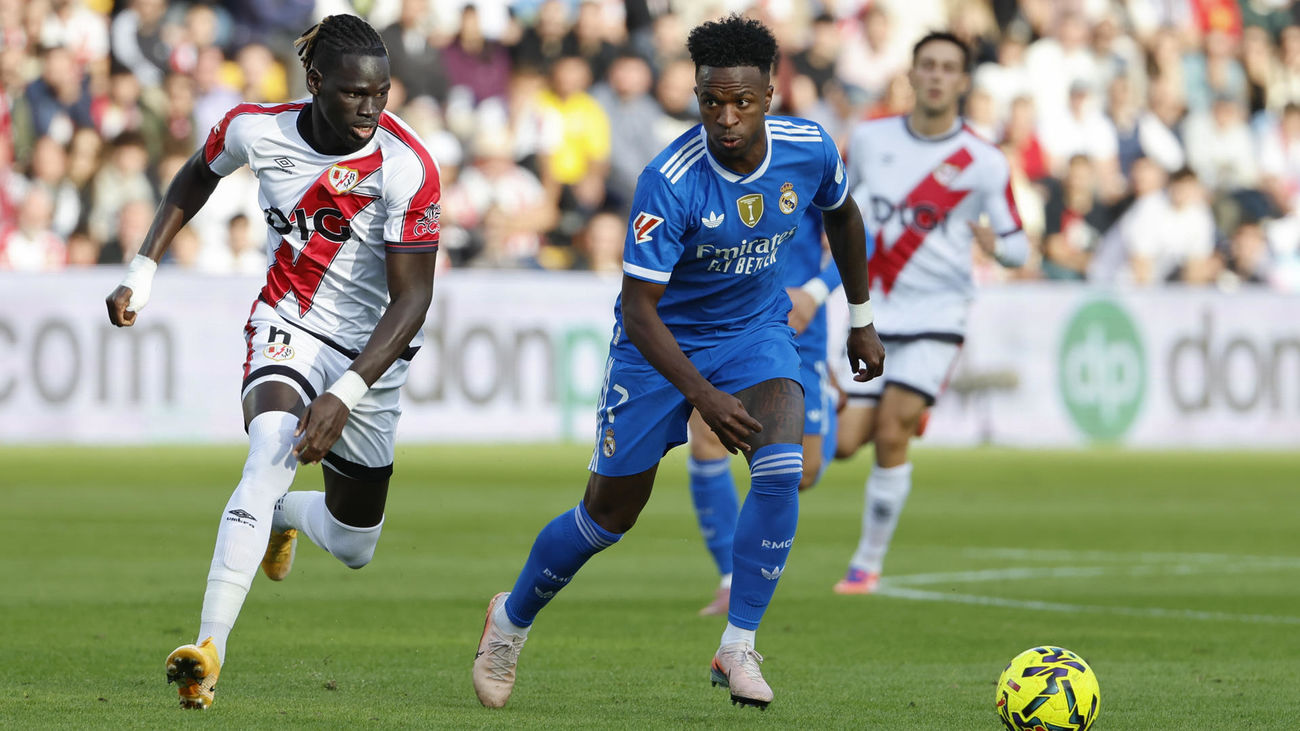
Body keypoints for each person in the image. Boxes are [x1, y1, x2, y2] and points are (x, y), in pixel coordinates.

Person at [470, 15, 885, 711]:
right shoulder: (670, 179)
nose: (725, 118)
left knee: (781, 463)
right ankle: (509, 620)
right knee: (608, 516)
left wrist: (862, 319)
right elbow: (638, 310)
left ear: (771, 95)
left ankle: (738, 644)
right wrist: (701, 395)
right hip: (658, 345)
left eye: (741, 103)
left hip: (754, 330)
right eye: (710, 102)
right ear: (695, 96)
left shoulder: (809, 147)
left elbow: (842, 215)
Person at [104, 14, 441, 709]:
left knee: (355, 544)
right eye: (354, 94)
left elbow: (413, 300)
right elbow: (195, 177)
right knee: (266, 452)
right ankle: (207, 650)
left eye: (381, 94)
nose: (371, 109)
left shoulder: (408, 167)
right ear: (315, 84)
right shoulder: (255, 129)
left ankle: (282, 514)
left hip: (372, 358)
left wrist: (345, 393)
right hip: (286, 323)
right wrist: (144, 267)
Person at [831, 32, 1028, 596]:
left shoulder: (984, 162)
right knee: (845, 442)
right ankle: (909, 405)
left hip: (941, 310)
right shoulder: (869, 138)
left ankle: (866, 565)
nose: (938, 76)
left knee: (891, 432)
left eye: (949, 68)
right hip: (874, 307)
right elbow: (841, 202)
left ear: (963, 82)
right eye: (928, 66)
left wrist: (996, 246)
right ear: (911, 76)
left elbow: (1018, 244)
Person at [686, 208, 843, 617]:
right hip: (732, 322)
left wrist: (816, 291)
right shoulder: (714, 164)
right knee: (705, 434)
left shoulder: (804, 156)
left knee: (802, 472)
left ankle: (828, 401)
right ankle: (729, 579)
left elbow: (863, 236)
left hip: (797, 325)